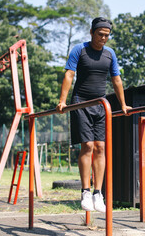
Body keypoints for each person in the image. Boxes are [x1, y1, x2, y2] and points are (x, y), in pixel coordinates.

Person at [56, 17, 131, 213]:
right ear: (92, 32)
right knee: (87, 145)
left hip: (101, 104)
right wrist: (62, 101)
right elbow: (69, 75)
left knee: (100, 147)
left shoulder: (110, 54)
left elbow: (116, 80)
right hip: (81, 102)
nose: (103, 38)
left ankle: (98, 193)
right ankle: (86, 191)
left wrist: (122, 104)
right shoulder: (79, 50)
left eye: (107, 35)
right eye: (100, 34)